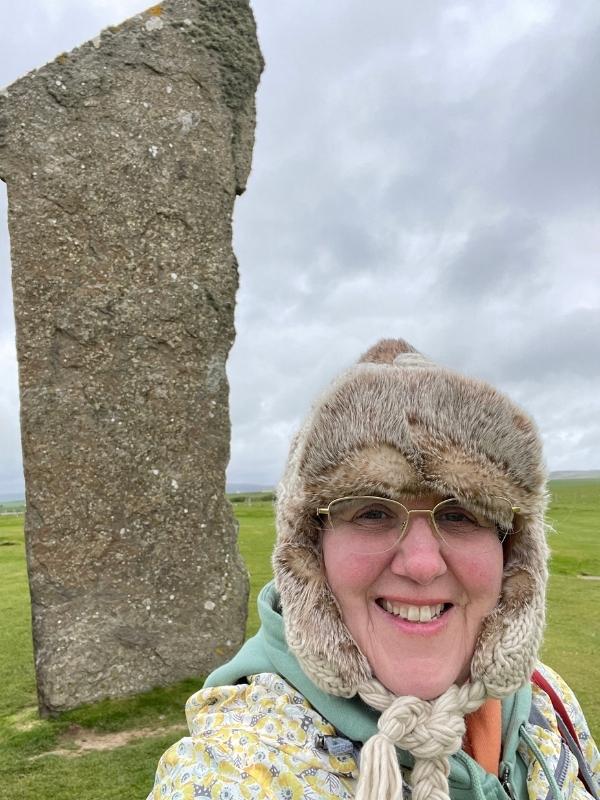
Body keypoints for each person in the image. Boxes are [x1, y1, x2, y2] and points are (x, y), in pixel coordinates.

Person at [148, 338, 600, 800]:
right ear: (309, 552)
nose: (422, 565)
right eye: (372, 513)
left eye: (461, 514)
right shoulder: (237, 770)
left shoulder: (546, 698)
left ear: (513, 553)